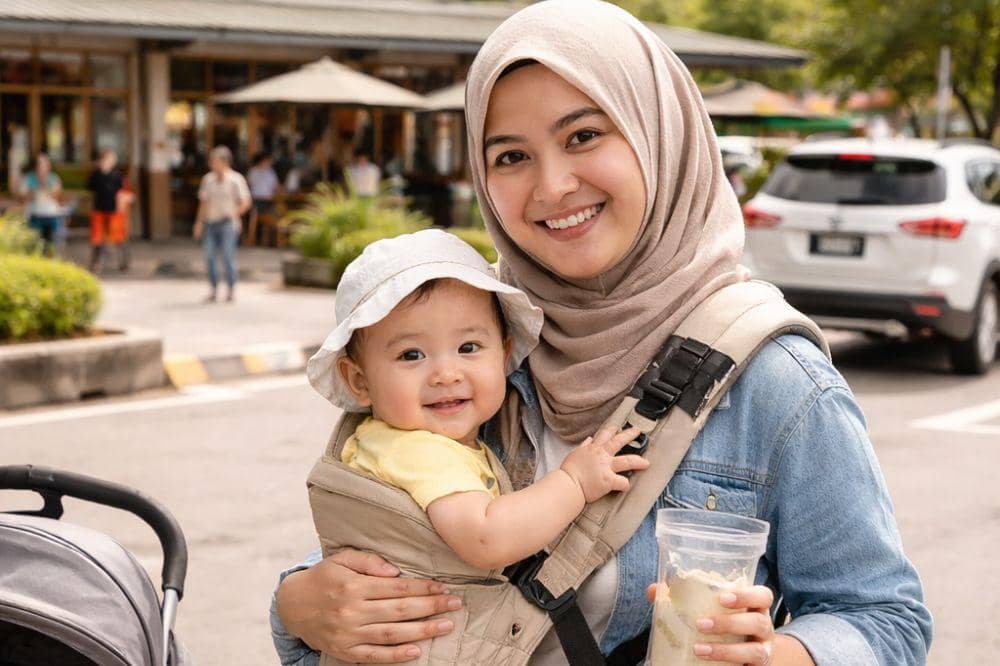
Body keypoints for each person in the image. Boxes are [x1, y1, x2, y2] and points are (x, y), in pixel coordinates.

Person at [270, 2, 933, 665]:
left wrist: (775, 656)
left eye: (583, 136)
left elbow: (884, 619)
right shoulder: (480, 332)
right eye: (510, 156)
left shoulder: (776, 380)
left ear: (657, 133)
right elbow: (411, 525)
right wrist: (302, 605)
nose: (553, 186)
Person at [307, 228, 647, 582]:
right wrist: (574, 481)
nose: (446, 374)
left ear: (503, 354)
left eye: (468, 347)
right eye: (412, 355)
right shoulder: (414, 452)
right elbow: (487, 538)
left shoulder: (400, 442)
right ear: (360, 381)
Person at [193, 145, 251, 303]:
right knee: (209, 257)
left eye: (216, 161)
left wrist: (234, 213)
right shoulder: (208, 180)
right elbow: (203, 203)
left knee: (228, 257)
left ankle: (231, 289)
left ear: (225, 162)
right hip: (211, 223)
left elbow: (246, 201)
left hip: (228, 224)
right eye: (212, 161)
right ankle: (213, 289)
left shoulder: (236, 179)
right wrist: (199, 223)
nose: (213, 164)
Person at [87, 148, 134, 272]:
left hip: (115, 211)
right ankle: (96, 263)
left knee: (118, 237)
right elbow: (90, 190)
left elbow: (127, 193)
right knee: (97, 239)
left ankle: (124, 262)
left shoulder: (118, 176)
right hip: (99, 209)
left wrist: (123, 204)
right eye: (108, 159)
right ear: (102, 160)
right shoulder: (95, 175)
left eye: (112, 159)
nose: (110, 162)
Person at [19, 152, 64, 257]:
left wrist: (47, 189)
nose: (42, 167)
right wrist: (33, 194)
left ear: (48, 165)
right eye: (40, 164)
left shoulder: (54, 178)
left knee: (50, 243)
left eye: (45, 164)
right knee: (34, 243)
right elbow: (22, 197)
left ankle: (49, 261)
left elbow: (58, 196)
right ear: (36, 166)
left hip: (51, 215)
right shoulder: (28, 178)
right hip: (35, 215)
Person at [247, 151, 281, 245]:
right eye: (268, 160)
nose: (270, 162)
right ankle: (255, 239)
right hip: (256, 200)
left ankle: (273, 240)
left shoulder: (271, 172)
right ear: (262, 160)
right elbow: (249, 185)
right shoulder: (253, 171)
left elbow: (276, 186)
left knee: (278, 213)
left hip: (269, 200)